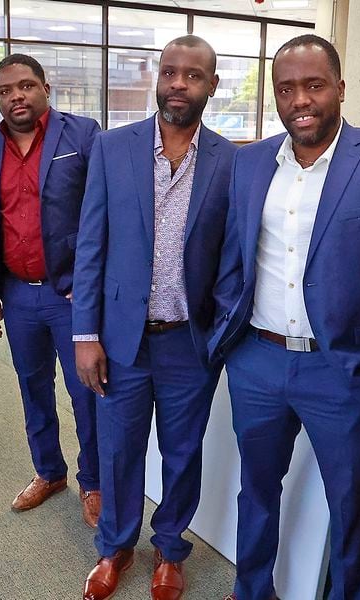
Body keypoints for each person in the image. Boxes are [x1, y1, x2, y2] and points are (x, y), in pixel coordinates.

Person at [209, 35, 360, 600]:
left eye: (313, 85)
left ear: (339, 87)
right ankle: (250, 590)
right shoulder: (250, 162)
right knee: (256, 491)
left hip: (343, 373)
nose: (300, 100)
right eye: (286, 89)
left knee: (350, 506)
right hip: (257, 362)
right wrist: (231, 340)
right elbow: (233, 256)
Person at [74, 35, 237, 600]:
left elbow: (233, 258)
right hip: (119, 337)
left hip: (186, 343)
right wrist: (85, 333)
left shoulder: (231, 161)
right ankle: (116, 546)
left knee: (182, 450)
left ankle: (170, 548)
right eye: (169, 72)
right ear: (157, 78)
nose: (177, 84)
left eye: (192, 76)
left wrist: (219, 334)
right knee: (118, 447)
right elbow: (90, 243)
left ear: (211, 86)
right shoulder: (112, 149)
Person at [0, 54, 102, 526]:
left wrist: (91, 286)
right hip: (17, 294)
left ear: (45, 87)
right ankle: (49, 471)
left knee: (85, 390)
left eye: (26, 86)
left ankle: (94, 480)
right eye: (6, 90)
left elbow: (101, 213)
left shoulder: (83, 134)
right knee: (32, 386)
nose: (16, 96)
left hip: (70, 293)